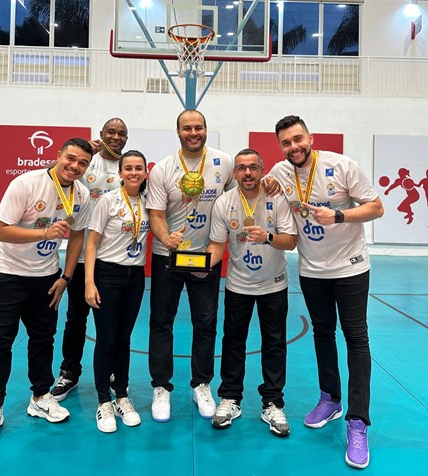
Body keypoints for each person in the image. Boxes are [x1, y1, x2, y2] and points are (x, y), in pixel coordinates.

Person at [270, 115, 384, 469]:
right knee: (322, 333)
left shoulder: (341, 165)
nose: (293, 147)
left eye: (298, 139)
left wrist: (338, 217)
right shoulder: (280, 172)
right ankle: (330, 398)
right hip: (311, 269)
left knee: (356, 337)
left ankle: (358, 422)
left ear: (310, 138)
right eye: (286, 143)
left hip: (350, 267)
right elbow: (256, 180)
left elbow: (376, 207)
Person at [0, 138, 93, 445]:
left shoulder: (81, 193)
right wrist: (43, 232)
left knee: (43, 339)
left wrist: (66, 277)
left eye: (82, 163)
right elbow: (0, 230)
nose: (75, 166)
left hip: (45, 277)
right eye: (71, 158)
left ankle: (41, 396)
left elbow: (78, 235)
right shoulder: (26, 184)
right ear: (58, 156)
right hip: (5, 275)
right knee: (0, 342)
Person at [145, 109, 235, 422]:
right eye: (187, 128)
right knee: (161, 322)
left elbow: (242, 197)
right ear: (178, 132)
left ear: (206, 129)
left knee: (206, 322)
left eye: (198, 127)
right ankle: (161, 387)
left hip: (205, 255)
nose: (193, 133)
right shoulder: (164, 169)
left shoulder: (224, 163)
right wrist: (166, 236)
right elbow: (156, 215)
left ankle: (202, 384)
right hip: (167, 255)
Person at [205, 149, 297, 437]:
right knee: (233, 342)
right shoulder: (223, 203)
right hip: (238, 285)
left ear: (261, 170)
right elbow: (217, 246)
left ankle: (272, 402)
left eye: (253, 168)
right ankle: (230, 398)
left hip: (274, 284)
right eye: (241, 168)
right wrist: (199, 266)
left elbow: (291, 241)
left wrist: (267, 237)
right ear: (235, 173)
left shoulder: (276, 197)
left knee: (274, 343)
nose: (247, 173)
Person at [51, 118, 128, 401]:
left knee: (112, 322)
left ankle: (110, 371)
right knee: (76, 318)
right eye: (111, 132)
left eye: (122, 133)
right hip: (83, 255)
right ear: (101, 134)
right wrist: (88, 153)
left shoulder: (126, 167)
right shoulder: (87, 162)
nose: (116, 137)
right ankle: (69, 371)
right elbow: (60, 175)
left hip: (112, 258)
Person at [84, 150, 149, 433]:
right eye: (129, 168)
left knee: (124, 339)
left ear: (146, 172)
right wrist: (89, 282)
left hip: (135, 276)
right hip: (107, 274)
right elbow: (91, 242)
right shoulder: (108, 201)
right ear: (120, 173)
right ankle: (103, 402)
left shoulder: (149, 203)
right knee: (106, 340)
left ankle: (121, 395)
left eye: (139, 168)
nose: (134, 173)